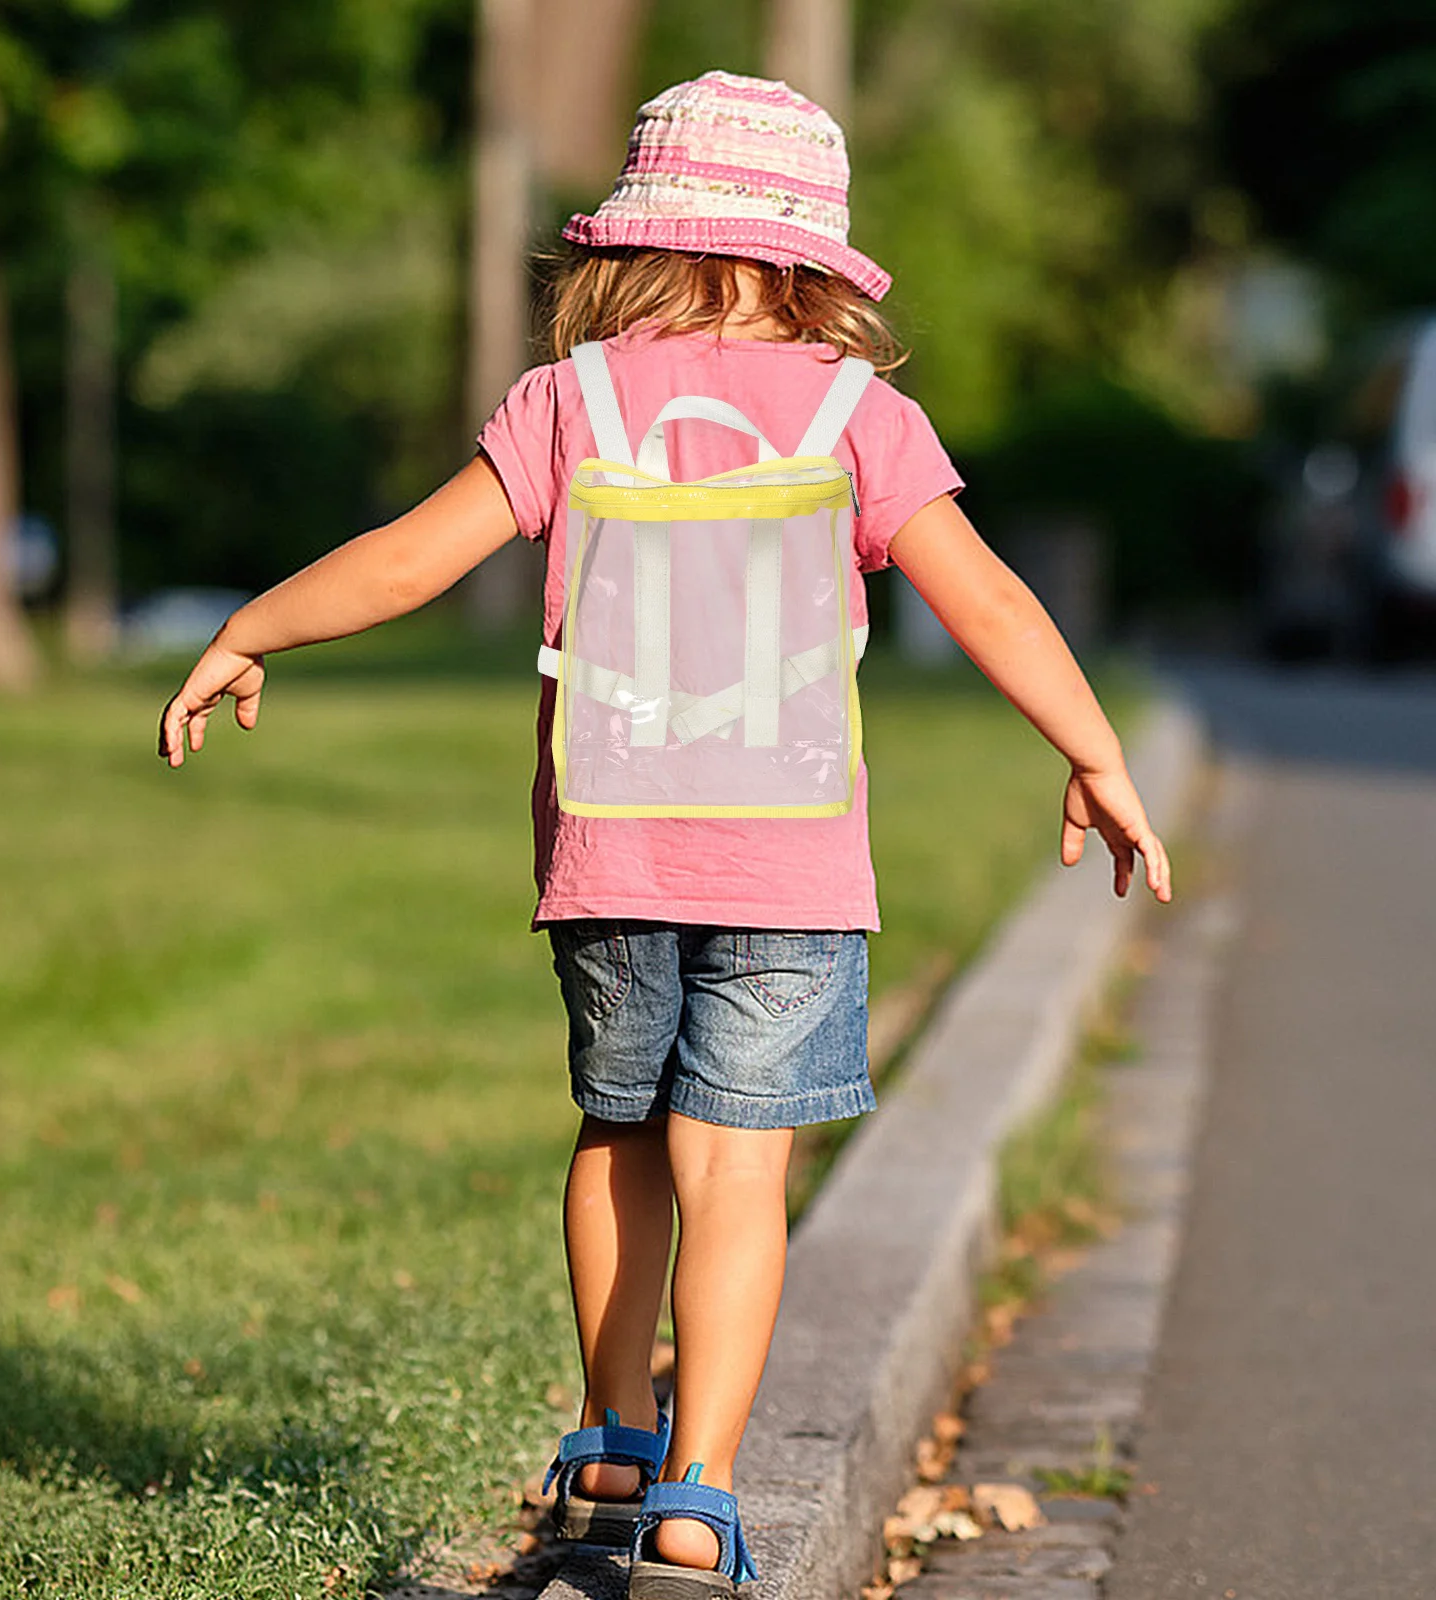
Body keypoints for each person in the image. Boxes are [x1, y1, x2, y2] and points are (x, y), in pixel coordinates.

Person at [158, 69, 1172, 1600]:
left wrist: (252, 627)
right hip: (794, 862)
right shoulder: (860, 417)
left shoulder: (573, 404)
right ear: (798, 262)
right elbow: (989, 602)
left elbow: (409, 560)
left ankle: (611, 1442)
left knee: (618, 1134)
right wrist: (1094, 753)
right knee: (736, 1173)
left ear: (646, 243)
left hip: (613, 857)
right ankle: (697, 1503)